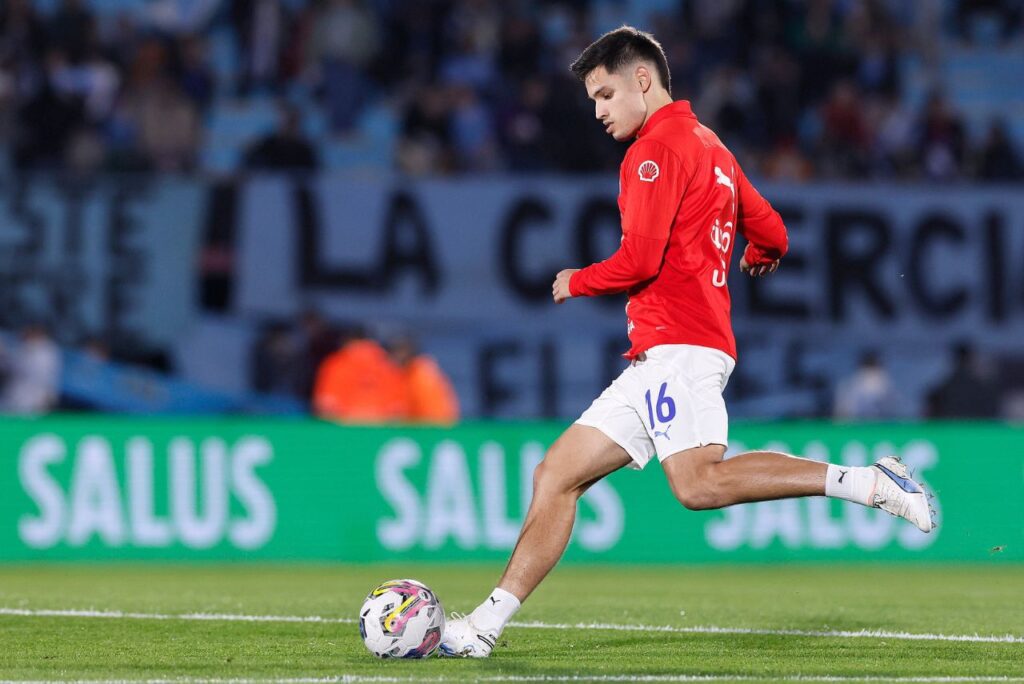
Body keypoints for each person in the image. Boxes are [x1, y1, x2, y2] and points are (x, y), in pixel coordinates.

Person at [439, 26, 934, 659]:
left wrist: (577, 280)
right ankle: (484, 626)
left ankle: (870, 482)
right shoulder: (712, 147)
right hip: (661, 356)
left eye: (605, 94)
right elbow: (775, 232)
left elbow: (639, 261)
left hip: (681, 346)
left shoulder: (653, 151)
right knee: (557, 473)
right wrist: (758, 253)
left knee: (698, 485)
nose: (599, 111)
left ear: (642, 80)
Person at [389, 336, 460, 425]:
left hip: (431, 431)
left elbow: (432, 414)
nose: (393, 358)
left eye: (398, 352)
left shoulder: (422, 375)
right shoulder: (411, 373)